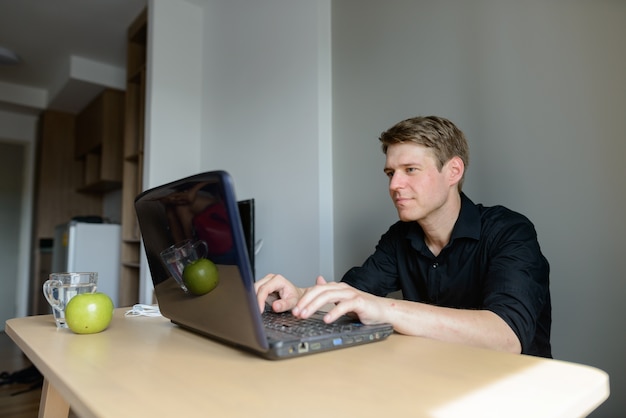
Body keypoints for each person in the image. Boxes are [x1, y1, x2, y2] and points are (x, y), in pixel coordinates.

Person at [255, 115, 551, 358]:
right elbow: (352, 297)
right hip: (441, 379)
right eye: (390, 173)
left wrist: (384, 309)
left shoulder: (510, 231)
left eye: (410, 170)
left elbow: (507, 337)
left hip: (521, 392)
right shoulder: (400, 237)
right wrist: (300, 295)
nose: (395, 184)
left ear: (453, 171)